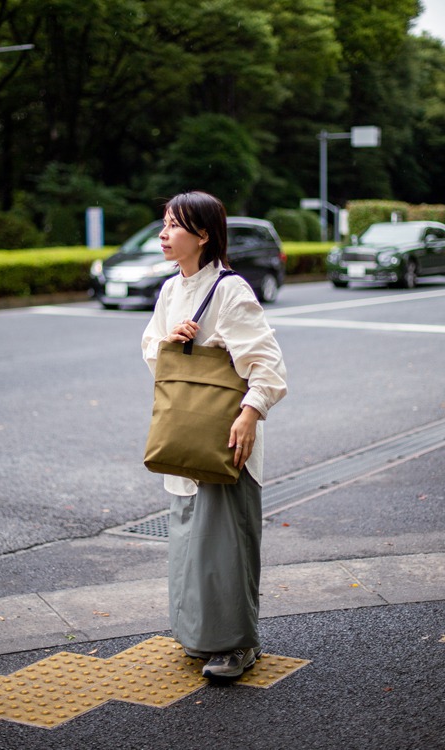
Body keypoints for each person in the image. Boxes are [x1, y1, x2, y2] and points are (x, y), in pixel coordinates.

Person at [141, 191, 288, 680]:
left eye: (174, 225)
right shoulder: (168, 291)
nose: (163, 234)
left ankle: (238, 645)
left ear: (203, 235)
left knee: (227, 541)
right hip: (185, 432)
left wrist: (250, 414)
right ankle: (199, 636)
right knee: (190, 539)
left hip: (226, 436)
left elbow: (268, 367)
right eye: (163, 224)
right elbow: (151, 354)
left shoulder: (231, 290)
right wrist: (171, 342)